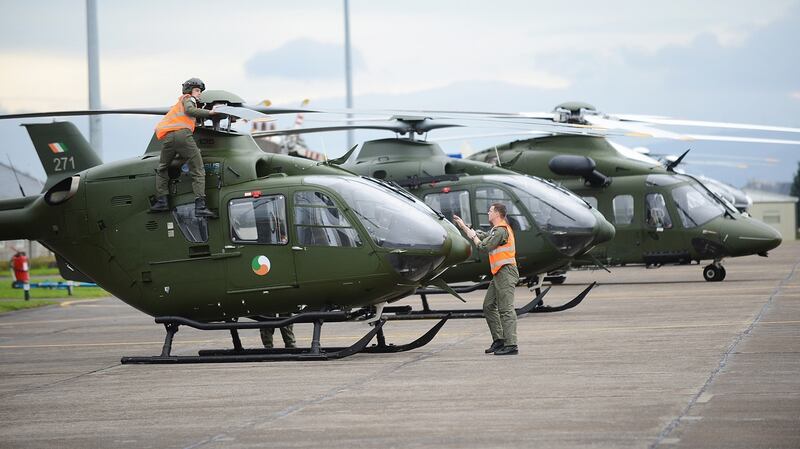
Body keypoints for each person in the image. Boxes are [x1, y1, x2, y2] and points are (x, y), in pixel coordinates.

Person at [452, 203, 520, 356]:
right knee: (488, 306)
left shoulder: (501, 230)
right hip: (499, 273)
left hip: (506, 272)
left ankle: (511, 344)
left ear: (497, 213)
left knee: (506, 309)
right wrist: (462, 226)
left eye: (490, 210)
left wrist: (476, 239)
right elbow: (479, 235)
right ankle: (499, 340)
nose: (488, 213)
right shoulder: (496, 231)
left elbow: (483, 246)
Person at [149, 77, 216, 217]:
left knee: (162, 168)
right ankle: (200, 206)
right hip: (182, 136)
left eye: (200, 91)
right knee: (198, 169)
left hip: (168, 138)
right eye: (197, 90)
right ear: (189, 90)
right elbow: (190, 110)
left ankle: (162, 201)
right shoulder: (188, 99)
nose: (199, 93)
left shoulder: (177, 105)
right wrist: (210, 113)